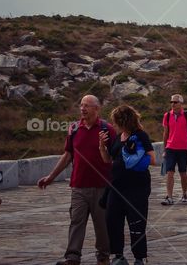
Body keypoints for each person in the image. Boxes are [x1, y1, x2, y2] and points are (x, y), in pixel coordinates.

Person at [38, 94, 113, 265]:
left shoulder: (107, 129)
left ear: (96, 108)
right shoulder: (74, 129)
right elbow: (67, 156)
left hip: (101, 186)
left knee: (102, 225)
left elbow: (112, 158)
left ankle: (103, 256)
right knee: (76, 222)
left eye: (87, 105)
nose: (82, 109)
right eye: (81, 105)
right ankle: (72, 257)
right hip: (78, 186)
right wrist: (51, 177)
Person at [101, 105, 154, 265]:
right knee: (112, 220)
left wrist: (134, 156)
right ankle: (118, 255)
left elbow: (152, 159)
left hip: (137, 188)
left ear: (123, 120)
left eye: (116, 120)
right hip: (116, 187)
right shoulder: (118, 137)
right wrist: (101, 146)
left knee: (136, 222)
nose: (114, 124)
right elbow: (107, 160)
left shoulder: (141, 136)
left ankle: (140, 257)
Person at [161, 94, 187, 206]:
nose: (173, 104)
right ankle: (169, 197)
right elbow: (165, 133)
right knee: (170, 172)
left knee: (183, 173)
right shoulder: (167, 116)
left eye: (175, 102)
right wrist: (164, 149)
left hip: (183, 148)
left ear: (181, 103)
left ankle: (184, 193)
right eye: (171, 102)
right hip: (170, 148)